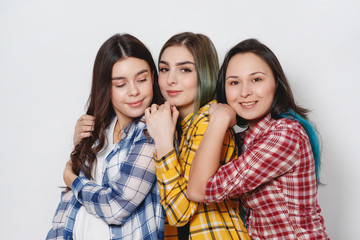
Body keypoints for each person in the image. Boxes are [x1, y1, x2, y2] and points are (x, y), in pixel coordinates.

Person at [186, 38, 329, 239]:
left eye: (256, 80)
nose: (245, 92)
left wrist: (219, 118)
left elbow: (198, 190)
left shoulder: (285, 134)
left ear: (276, 83)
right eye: (234, 82)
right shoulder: (247, 139)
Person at [46, 33, 164, 240]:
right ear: (105, 87)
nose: (134, 91)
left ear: (153, 77)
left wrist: (72, 181)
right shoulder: (98, 128)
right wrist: (79, 146)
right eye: (120, 84)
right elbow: (70, 205)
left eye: (142, 79)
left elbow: (116, 208)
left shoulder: (153, 130)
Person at [144, 32, 250, 240]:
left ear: (204, 73)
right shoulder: (175, 125)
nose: (171, 80)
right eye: (164, 69)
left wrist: (163, 143)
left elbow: (179, 213)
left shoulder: (208, 121)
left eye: (185, 69)